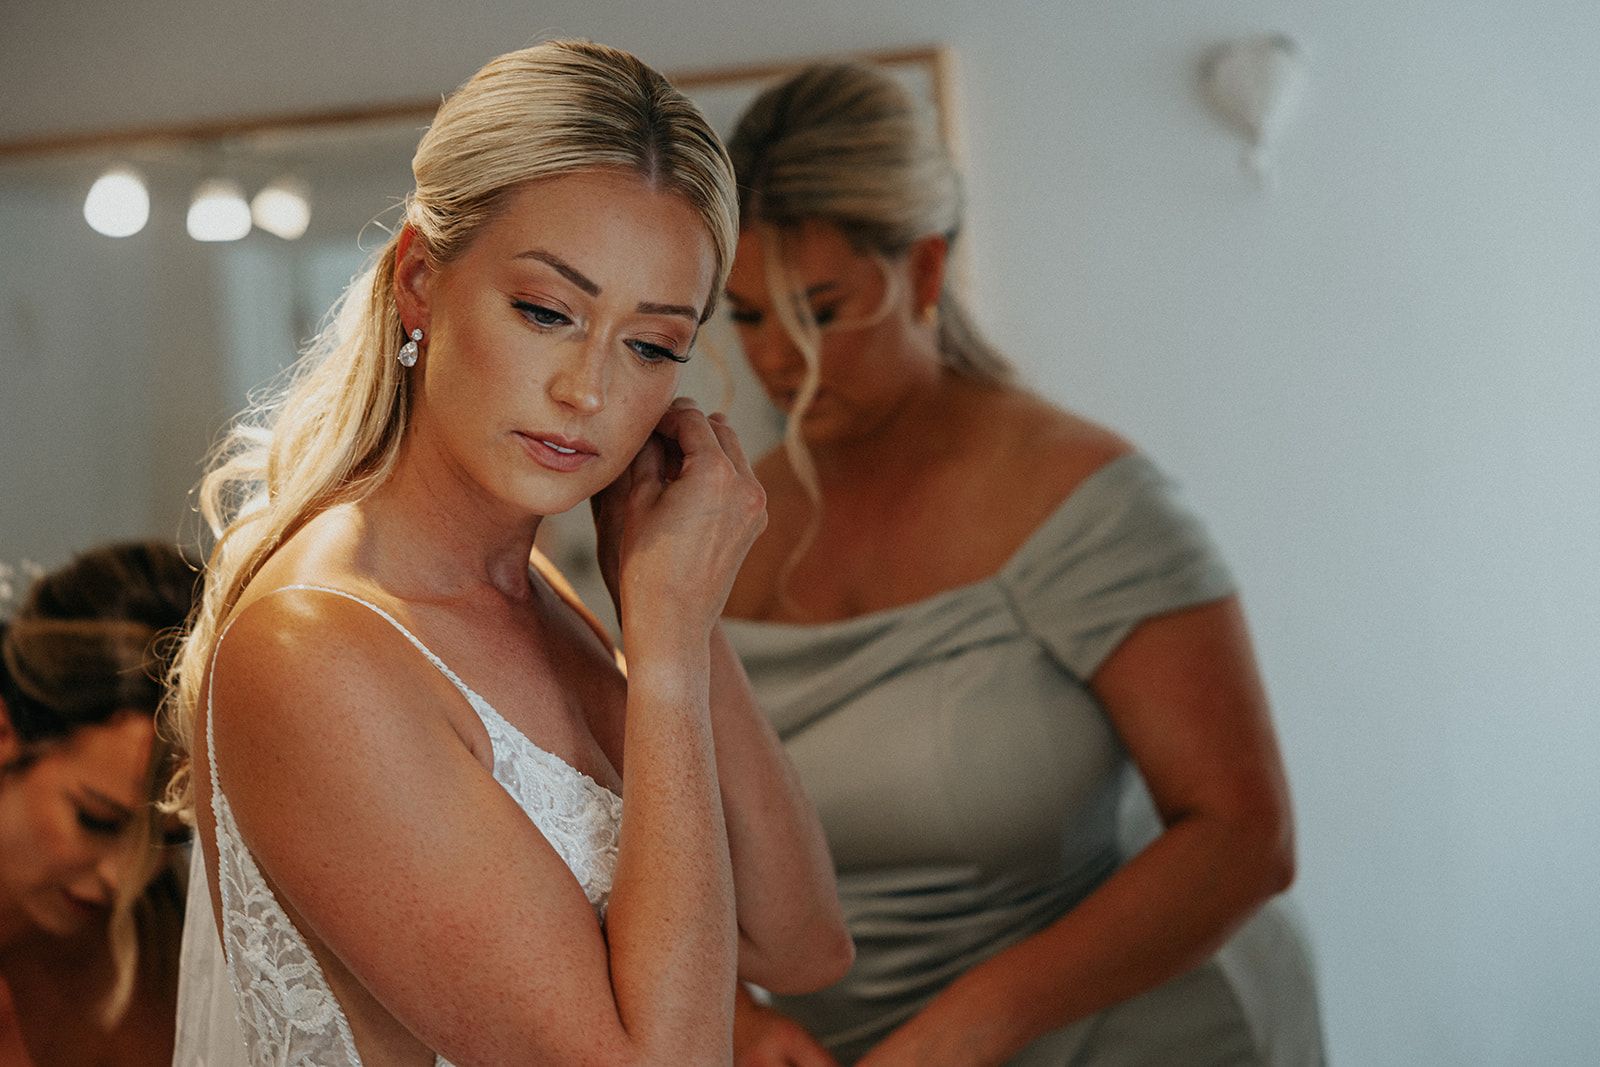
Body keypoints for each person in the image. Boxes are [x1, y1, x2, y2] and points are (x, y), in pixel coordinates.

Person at [162, 38, 851, 1067]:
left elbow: (800, 942)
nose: (591, 390)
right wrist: (658, 656)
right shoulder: (317, 646)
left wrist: (677, 615)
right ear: (418, 282)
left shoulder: (537, 591)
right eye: (545, 311)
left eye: (653, 343)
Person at [720, 62, 1324, 1065]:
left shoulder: (1088, 502)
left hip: (1125, 1035)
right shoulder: (717, 517)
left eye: (818, 310)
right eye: (745, 315)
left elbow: (1242, 834)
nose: (780, 360)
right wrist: (736, 1012)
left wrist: (972, 1025)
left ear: (920, 271)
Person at [0, 542, 197, 1067]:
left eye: (169, 838)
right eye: (99, 820)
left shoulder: (179, 948)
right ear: (4, 733)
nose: (123, 876)